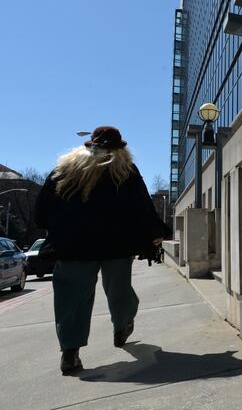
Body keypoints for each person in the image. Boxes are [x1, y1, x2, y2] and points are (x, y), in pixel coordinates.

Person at [35, 126, 170, 375]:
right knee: (120, 290)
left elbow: (42, 210)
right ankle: (122, 325)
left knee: (70, 297)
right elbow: (142, 206)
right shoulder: (125, 171)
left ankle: (70, 352)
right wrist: (155, 231)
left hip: (73, 245)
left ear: (90, 145)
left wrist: (57, 227)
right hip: (116, 244)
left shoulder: (65, 169)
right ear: (120, 149)